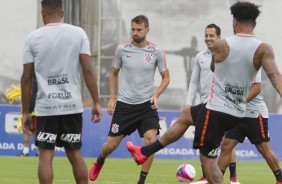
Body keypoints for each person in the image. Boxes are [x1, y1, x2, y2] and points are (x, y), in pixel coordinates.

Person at [127, 2, 282, 184]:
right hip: (237, 110)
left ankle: (146, 153)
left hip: (216, 111)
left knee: (208, 163)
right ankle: (145, 152)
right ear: (254, 24)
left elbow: (214, 66)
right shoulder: (264, 49)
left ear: (234, 22)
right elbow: (274, 76)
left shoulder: (222, 45)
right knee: (186, 116)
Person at [21, 0, 102, 184]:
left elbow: (26, 78)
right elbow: (88, 69)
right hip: (72, 106)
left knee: (45, 158)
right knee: (75, 155)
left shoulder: (32, 38)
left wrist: (25, 111)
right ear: (62, 12)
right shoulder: (78, 33)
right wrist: (96, 102)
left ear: (43, 13)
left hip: (46, 108)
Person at [88, 15, 170, 184]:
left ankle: (141, 181)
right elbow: (113, 74)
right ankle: (100, 161)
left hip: (147, 106)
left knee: (150, 141)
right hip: (125, 105)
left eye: (139, 30)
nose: (135, 32)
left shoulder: (156, 51)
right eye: (133, 29)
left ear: (147, 30)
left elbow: (166, 77)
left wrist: (156, 95)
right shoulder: (122, 49)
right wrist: (112, 99)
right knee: (110, 146)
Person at [186, 24, 239, 184]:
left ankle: (233, 178)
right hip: (204, 105)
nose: (208, 38)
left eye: (212, 35)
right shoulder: (199, 56)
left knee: (225, 143)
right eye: (206, 35)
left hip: (222, 107)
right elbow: (194, 81)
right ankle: (205, 177)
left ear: (219, 37)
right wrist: (189, 103)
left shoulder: (227, 56)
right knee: (205, 141)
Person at [218, 70, 282, 183]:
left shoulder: (252, 63)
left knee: (264, 149)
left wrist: (238, 103)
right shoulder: (229, 65)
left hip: (255, 114)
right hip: (237, 114)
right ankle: (216, 180)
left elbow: (256, 88)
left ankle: (280, 180)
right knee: (226, 145)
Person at [20, 74, 37, 156]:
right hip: (27, 109)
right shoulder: (26, 76)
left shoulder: (33, 78)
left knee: (35, 130)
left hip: (34, 109)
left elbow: (33, 94)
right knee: (27, 129)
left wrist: (29, 109)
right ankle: (25, 151)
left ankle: (40, 151)